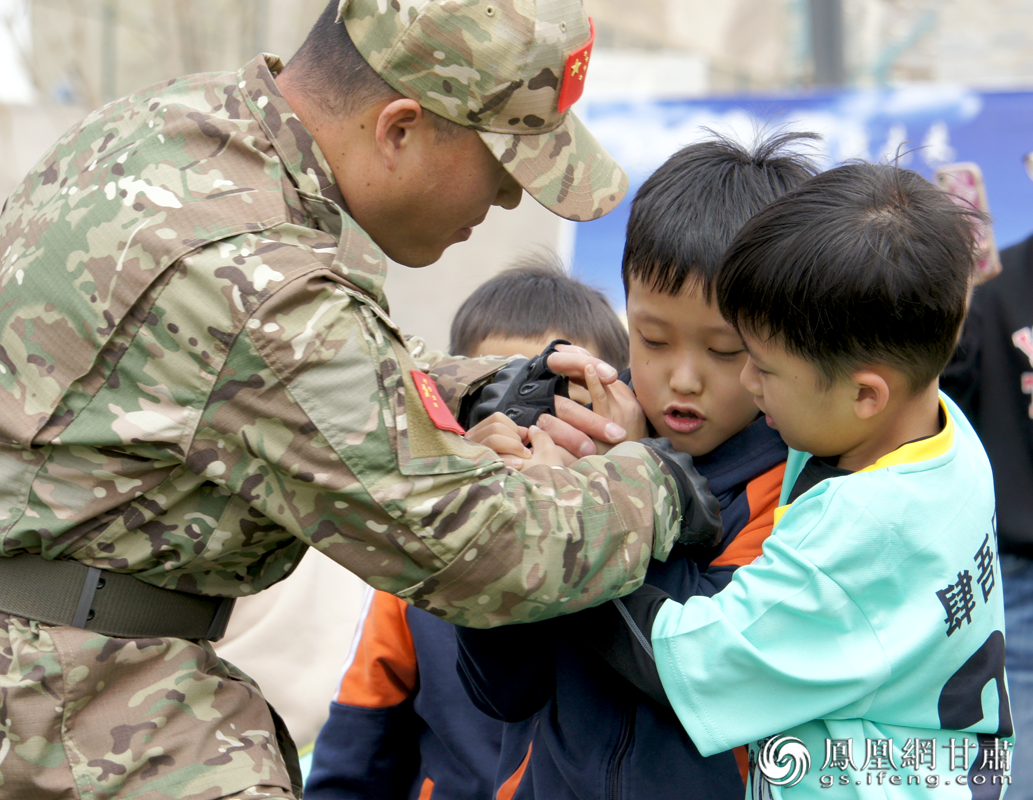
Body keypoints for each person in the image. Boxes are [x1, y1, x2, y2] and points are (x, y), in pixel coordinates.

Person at [0, 0, 721, 797]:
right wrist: (658, 483)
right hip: (74, 707)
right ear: (400, 128)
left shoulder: (167, 135)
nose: (511, 201)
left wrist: (484, 390)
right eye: (502, 163)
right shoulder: (256, 282)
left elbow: (291, 363)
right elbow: (472, 547)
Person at [580, 162, 1013, 798]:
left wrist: (584, 500)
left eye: (759, 367)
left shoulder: (859, 536)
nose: (750, 388)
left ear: (866, 394)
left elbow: (690, 664)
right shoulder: (946, 435)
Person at [452, 133, 819, 800]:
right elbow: (502, 694)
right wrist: (499, 527)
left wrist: (611, 486)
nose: (683, 378)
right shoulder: (568, 433)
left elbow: (693, 669)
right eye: (652, 338)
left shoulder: (797, 486)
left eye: (724, 350)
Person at [306, 255, 630, 799]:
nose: (525, 426)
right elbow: (353, 759)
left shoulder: (637, 565)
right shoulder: (419, 573)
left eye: (559, 395)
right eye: (499, 394)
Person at [941, 184, 1033, 796]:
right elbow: (945, 403)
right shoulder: (993, 286)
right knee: (1017, 747)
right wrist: (954, 294)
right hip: (1017, 572)